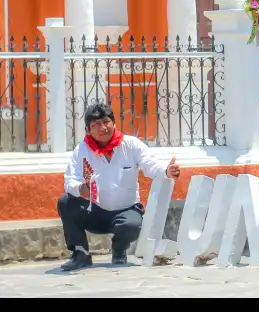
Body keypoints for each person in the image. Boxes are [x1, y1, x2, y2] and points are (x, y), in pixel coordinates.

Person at [58, 103, 181, 271]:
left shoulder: (131, 144)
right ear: (88, 129)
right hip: (95, 210)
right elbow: (70, 180)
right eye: (96, 125)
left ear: (114, 123)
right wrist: (80, 189)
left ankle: (119, 249)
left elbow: (150, 164)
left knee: (131, 224)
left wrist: (166, 171)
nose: (103, 128)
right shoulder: (82, 150)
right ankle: (80, 254)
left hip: (126, 211)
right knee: (66, 202)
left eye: (106, 122)